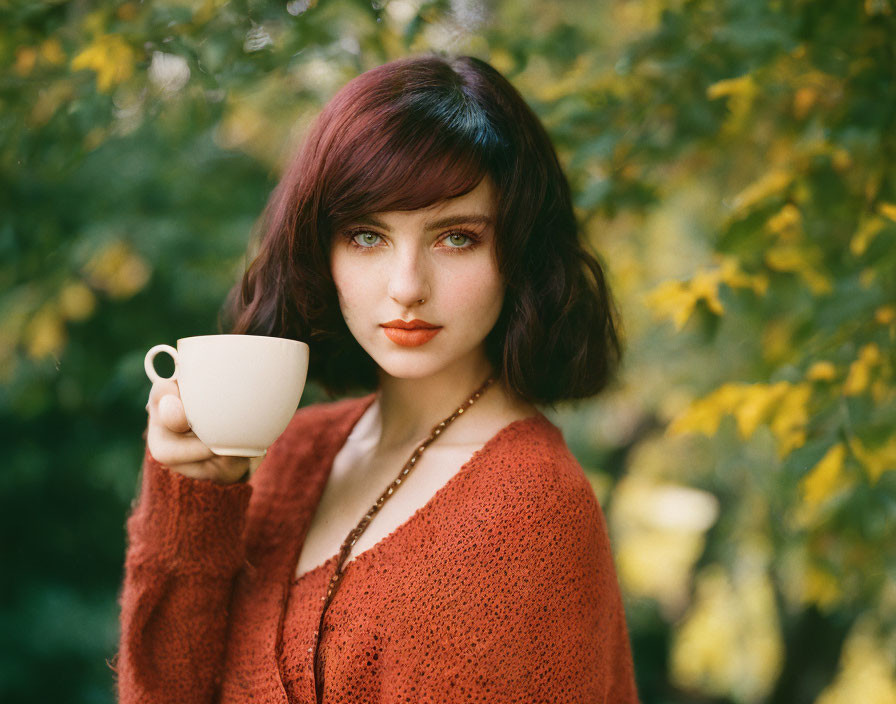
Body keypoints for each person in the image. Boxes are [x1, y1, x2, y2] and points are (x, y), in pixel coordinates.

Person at [112, 53, 640, 703]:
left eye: (456, 237)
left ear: (519, 252)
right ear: (321, 251)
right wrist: (192, 498)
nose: (406, 287)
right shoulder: (297, 452)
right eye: (367, 236)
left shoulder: (530, 506)